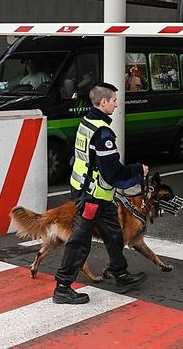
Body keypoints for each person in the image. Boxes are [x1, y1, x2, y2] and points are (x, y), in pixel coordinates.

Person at [53, 82, 149, 305]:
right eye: (114, 100)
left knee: (114, 234)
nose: (117, 104)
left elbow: (78, 158)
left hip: (94, 194)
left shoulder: (86, 122)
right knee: (80, 241)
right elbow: (113, 172)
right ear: (103, 102)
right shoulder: (103, 132)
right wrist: (138, 170)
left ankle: (120, 274)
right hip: (92, 197)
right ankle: (62, 287)